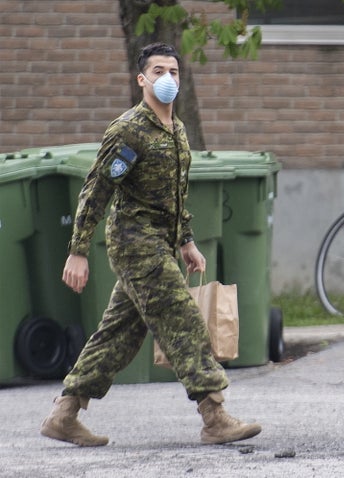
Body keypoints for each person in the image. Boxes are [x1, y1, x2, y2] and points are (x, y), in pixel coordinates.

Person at [40, 43, 261, 446]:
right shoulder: (129, 130)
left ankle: (64, 413)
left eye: (174, 72)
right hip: (134, 243)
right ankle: (214, 415)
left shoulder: (176, 129)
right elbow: (97, 189)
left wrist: (187, 241)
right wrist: (79, 250)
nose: (168, 79)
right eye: (158, 71)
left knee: (118, 335)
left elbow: (174, 195)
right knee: (183, 320)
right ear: (142, 79)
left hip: (159, 241)